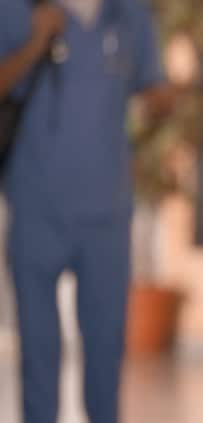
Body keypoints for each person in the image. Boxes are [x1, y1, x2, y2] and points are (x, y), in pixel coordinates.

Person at [0, 1, 173, 422]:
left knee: (105, 347)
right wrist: (35, 42)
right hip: (35, 202)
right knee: (38, 349)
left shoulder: (130, 14)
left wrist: (162, 101)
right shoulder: (16, 10)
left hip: (107, 212)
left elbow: (152, 89)